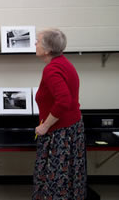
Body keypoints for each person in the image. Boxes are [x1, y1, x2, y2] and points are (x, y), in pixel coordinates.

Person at [32, 28, 86, 199]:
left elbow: (63, 101)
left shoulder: (52, 70)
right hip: (71, 130)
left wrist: (45, 126)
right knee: (70, 177)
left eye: (38, 41)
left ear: (47, 50)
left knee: (55, 179)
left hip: (60, 134)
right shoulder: (64, 63)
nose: (35, 44)